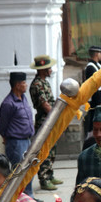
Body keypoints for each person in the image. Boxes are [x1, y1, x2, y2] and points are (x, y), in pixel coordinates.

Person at [0, 71, 36, 198]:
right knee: (19, 171)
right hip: (16, 142)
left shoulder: (23, 98)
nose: (26, 85)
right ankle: (19, 198)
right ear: (17, 85)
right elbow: (2, 124)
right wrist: (5, 138)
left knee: (29, 168)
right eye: (24, 82)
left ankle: (29, 195)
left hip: (27, 140)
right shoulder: (8, 103)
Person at [29, 54, 63, 191]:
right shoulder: (37, 84)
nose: (51, 70)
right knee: (45, 151)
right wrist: (56, 116)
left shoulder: (44, 82)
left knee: (51, 149)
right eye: (49, 68)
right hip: (44, 121)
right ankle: (44, 179)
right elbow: (45, 105)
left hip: (49, 119)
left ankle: (50, 174)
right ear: (43, 69)